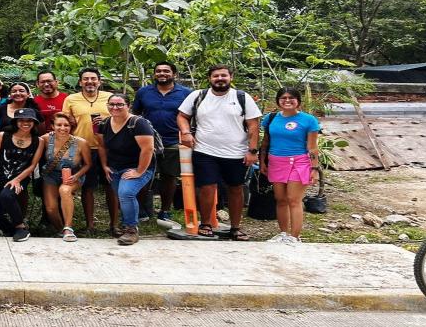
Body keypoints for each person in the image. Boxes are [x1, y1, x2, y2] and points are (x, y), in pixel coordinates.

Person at [176, 65, 261, 240]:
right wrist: (185, 132)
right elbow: (182, 116)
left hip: (236, 152)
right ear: (210, 78)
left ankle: (235, 227)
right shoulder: (198, 96)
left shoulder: (242, 97)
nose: (220, 78)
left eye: (224, 75)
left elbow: (253, 125)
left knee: (236, 188)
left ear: (231, 77)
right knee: (207, 187)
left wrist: (252, 150)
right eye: (216, 76)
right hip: (204, 150)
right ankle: (206, 222)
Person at [131, 61, 192, 223]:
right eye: (158, 71)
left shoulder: (186, 93)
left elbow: (192, 116)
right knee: (143, 174)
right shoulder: (144, 92)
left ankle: (165, 210)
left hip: (173, 140)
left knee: (169, 176)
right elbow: (135, 113)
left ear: (174, 74)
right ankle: (142, 210)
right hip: (148, 141)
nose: (162, 74)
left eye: (166, 71)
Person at [62, 67, 119, 236]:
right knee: (88, 187)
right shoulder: (71, 99)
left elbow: (122, 117)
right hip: (83, 148)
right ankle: (90, 225)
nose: (90, 82)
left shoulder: (109, 98)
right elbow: (65, 121)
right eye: (85, 79)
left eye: (93, 79)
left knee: (111, 186)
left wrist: (108, 119)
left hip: (109, 147)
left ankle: (114, 224)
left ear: (99, 81)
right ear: (80, 82)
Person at [261, 87, 321, 244]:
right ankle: (283, 233)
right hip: (276, 161)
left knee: (293, 199)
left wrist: (314, 169)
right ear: (278, 101)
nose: (287, 101)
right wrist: (262, 162)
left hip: (299, 162)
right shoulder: (271, 118)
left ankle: (295, 237)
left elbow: (312, 147)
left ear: (298, 101)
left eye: (291, 98)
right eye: (283, 98)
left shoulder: (309, 120)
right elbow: (265, 142)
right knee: (280, 199)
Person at [98, 93, 157, 246]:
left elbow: (148, 149)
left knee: (126, 193)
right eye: (111, 104)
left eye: (119, 104)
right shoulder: (104, 124)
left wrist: (139, 171)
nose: (115, 107)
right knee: (123, 196)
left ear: (128, 105)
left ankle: (131, 230)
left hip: (139, 166)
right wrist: (104, 165)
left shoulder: (138, 123)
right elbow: (102, 146)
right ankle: (126, 226)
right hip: (115, 167)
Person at [0, 109, 45, 241]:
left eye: (29, 120)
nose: (25, 123)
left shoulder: (38, 141)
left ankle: (20, 227)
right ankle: (12, 231)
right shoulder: (3, 135)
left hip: (20, 177)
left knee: (7, 195)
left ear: (34, 122)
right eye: (21, 120)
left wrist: (17, 179)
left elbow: (32, 165)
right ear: (16, 122)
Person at [40, 112, 92, 242]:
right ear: (52, 126)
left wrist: (76, 176)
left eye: (66, 125)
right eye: (59, 125)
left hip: (73, 175)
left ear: (71, 127)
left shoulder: (81, 143)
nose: (62, 128)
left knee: (65, 190)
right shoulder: (45, 139)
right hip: (51, 175)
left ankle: (69, 228)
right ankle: (60, 229)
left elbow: (87, 164)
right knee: (51, 208)